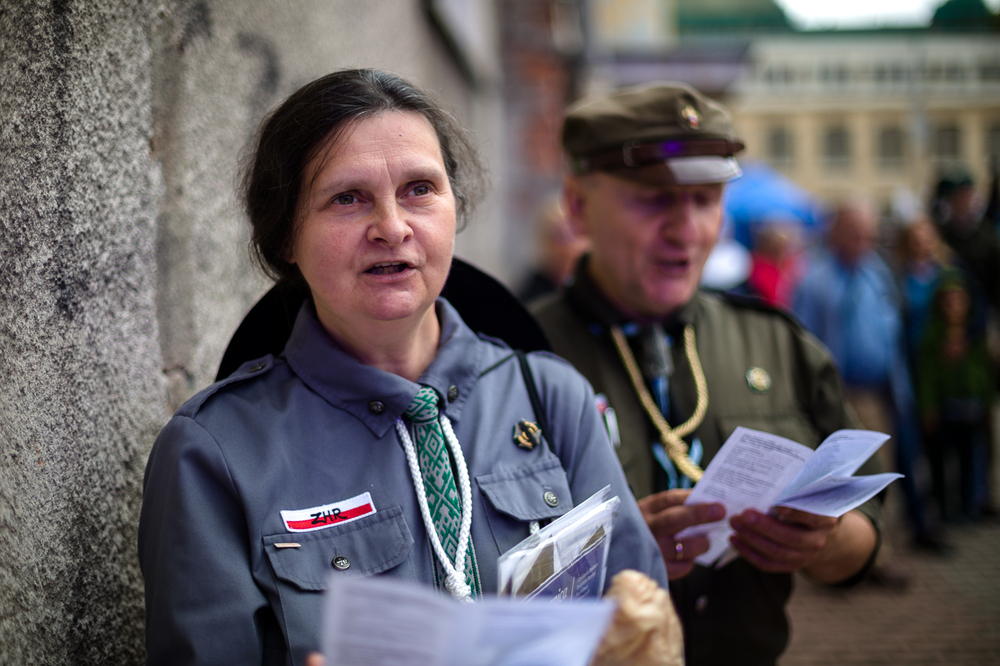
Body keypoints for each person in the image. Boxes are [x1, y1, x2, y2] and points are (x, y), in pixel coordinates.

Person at [138, 69, 669, 666]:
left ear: (454, 208)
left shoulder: (550, 397)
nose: (392, 227)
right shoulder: (215, 452)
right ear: (286, 233)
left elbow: (640, 626)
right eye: (347, 198)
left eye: (420, 189)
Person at [531, 81, 883, 666]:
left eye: (706, 199)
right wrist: (609, 555)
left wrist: (824, 541)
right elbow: (467, 571)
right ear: (577, 205)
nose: (688, 229)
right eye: (654, 199)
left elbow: (866, 538)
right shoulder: (513, 356)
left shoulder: (776, 341)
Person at [792, 201, 939, 555]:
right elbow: (800, 340)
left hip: (878, 395)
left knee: (875, 479)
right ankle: (840, 556)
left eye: (868, 233)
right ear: (835, 232)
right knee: (839, 483)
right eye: (855, 232)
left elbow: (892, 332)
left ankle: (873, 554)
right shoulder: (815, 279)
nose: (864, 239)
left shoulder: (877, 272)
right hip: (836, 396)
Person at [916, 269, 995, 522]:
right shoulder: (933, 336)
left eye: (959, 299)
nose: (954, 306)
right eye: (948, 300)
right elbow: (927, 376)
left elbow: (985, 373)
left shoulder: (975, 335)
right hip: (946, 409)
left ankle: (971, 503)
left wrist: (988, 403)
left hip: (972, 407)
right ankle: (945, 507)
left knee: (971, 458)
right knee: (943, 461)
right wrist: (929, 406)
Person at [516, 194, 590, 302]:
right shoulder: (534, 297)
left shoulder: (593, 289)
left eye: (576, 233)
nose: (572, 245)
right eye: (562, 236)